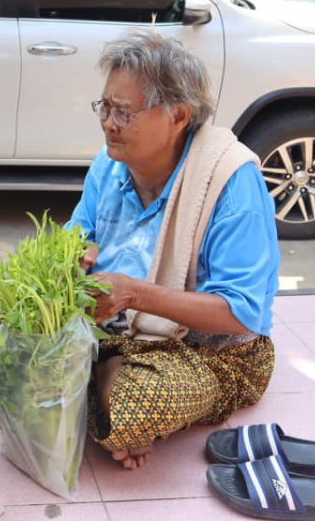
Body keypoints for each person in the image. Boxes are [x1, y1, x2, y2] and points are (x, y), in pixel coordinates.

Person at [68, 31, 279, 470]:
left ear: (179, 116)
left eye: (123, 112)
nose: (108, 122)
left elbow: (240, 313)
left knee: (133, 409)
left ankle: (101, 382)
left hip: (208, 350)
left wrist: (135, 294)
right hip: (113, 325)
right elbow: (73, 234)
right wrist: (73, 254)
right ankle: (101, 378)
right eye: (104, 107)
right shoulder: (110, 164)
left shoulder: (229, 181)